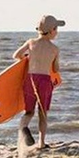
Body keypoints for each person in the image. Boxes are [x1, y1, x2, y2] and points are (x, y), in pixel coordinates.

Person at [13, 15, 64, 149]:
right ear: (52, 30)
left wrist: (27, 58)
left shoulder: (31, 43)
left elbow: (16, 55)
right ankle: (41, 143)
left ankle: (24, 127)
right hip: (45, 81)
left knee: (29, 111)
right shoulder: (54, 49)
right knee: (43, 113)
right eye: (56, 29)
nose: (57, 32)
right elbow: (56, 68)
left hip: (30, 80)